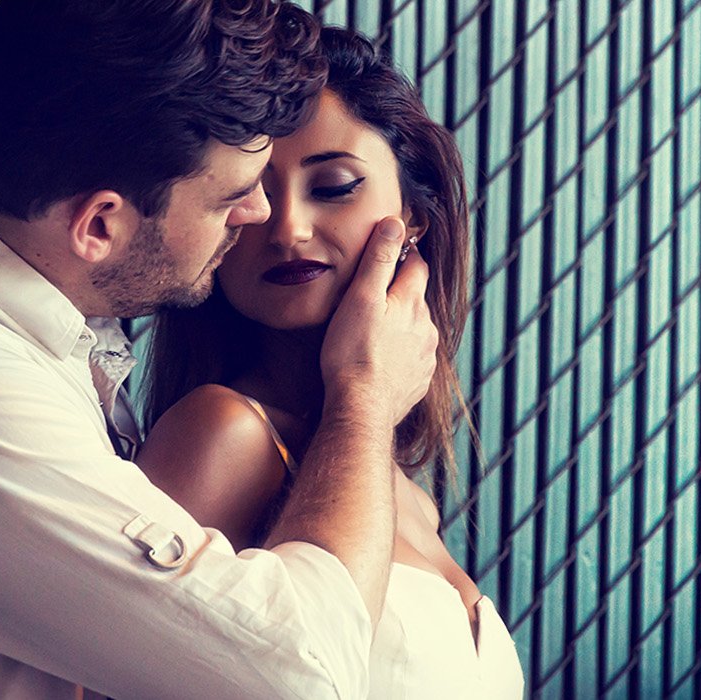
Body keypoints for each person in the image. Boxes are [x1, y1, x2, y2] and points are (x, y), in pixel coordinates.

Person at [0, 2, 438, 698]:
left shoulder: (36, 344)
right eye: (230, 197)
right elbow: (302, 678)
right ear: (99, 225)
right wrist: (365, 396)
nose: (260, 217)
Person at [137, 28, 525, 697]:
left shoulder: (403, 491)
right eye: (251, 194)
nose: (288, 227)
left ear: (414, 214)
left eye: (335, 186)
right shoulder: (222, 434)